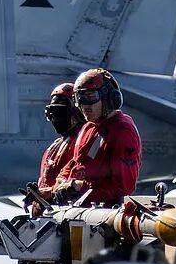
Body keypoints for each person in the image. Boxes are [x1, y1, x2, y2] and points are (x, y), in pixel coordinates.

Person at [54, 68, 142, 206]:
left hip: (105, 211)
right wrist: (62, 183)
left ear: (109, 97)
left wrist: (79, 187)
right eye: (79, 98)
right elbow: (74, 164)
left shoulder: (122, 130)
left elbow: (124, 186)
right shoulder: (88, 127)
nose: (84, 105)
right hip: (81, 207)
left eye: (90, 97)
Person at [29, 83, 84, 216]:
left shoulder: (83, 144)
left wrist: (48, 192)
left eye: (60, 113)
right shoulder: (53, 149)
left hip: (67, 216)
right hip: (44, 218)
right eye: (51, 113)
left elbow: (80, 184)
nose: (55, 119)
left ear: (77, 112)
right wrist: (36, 195)